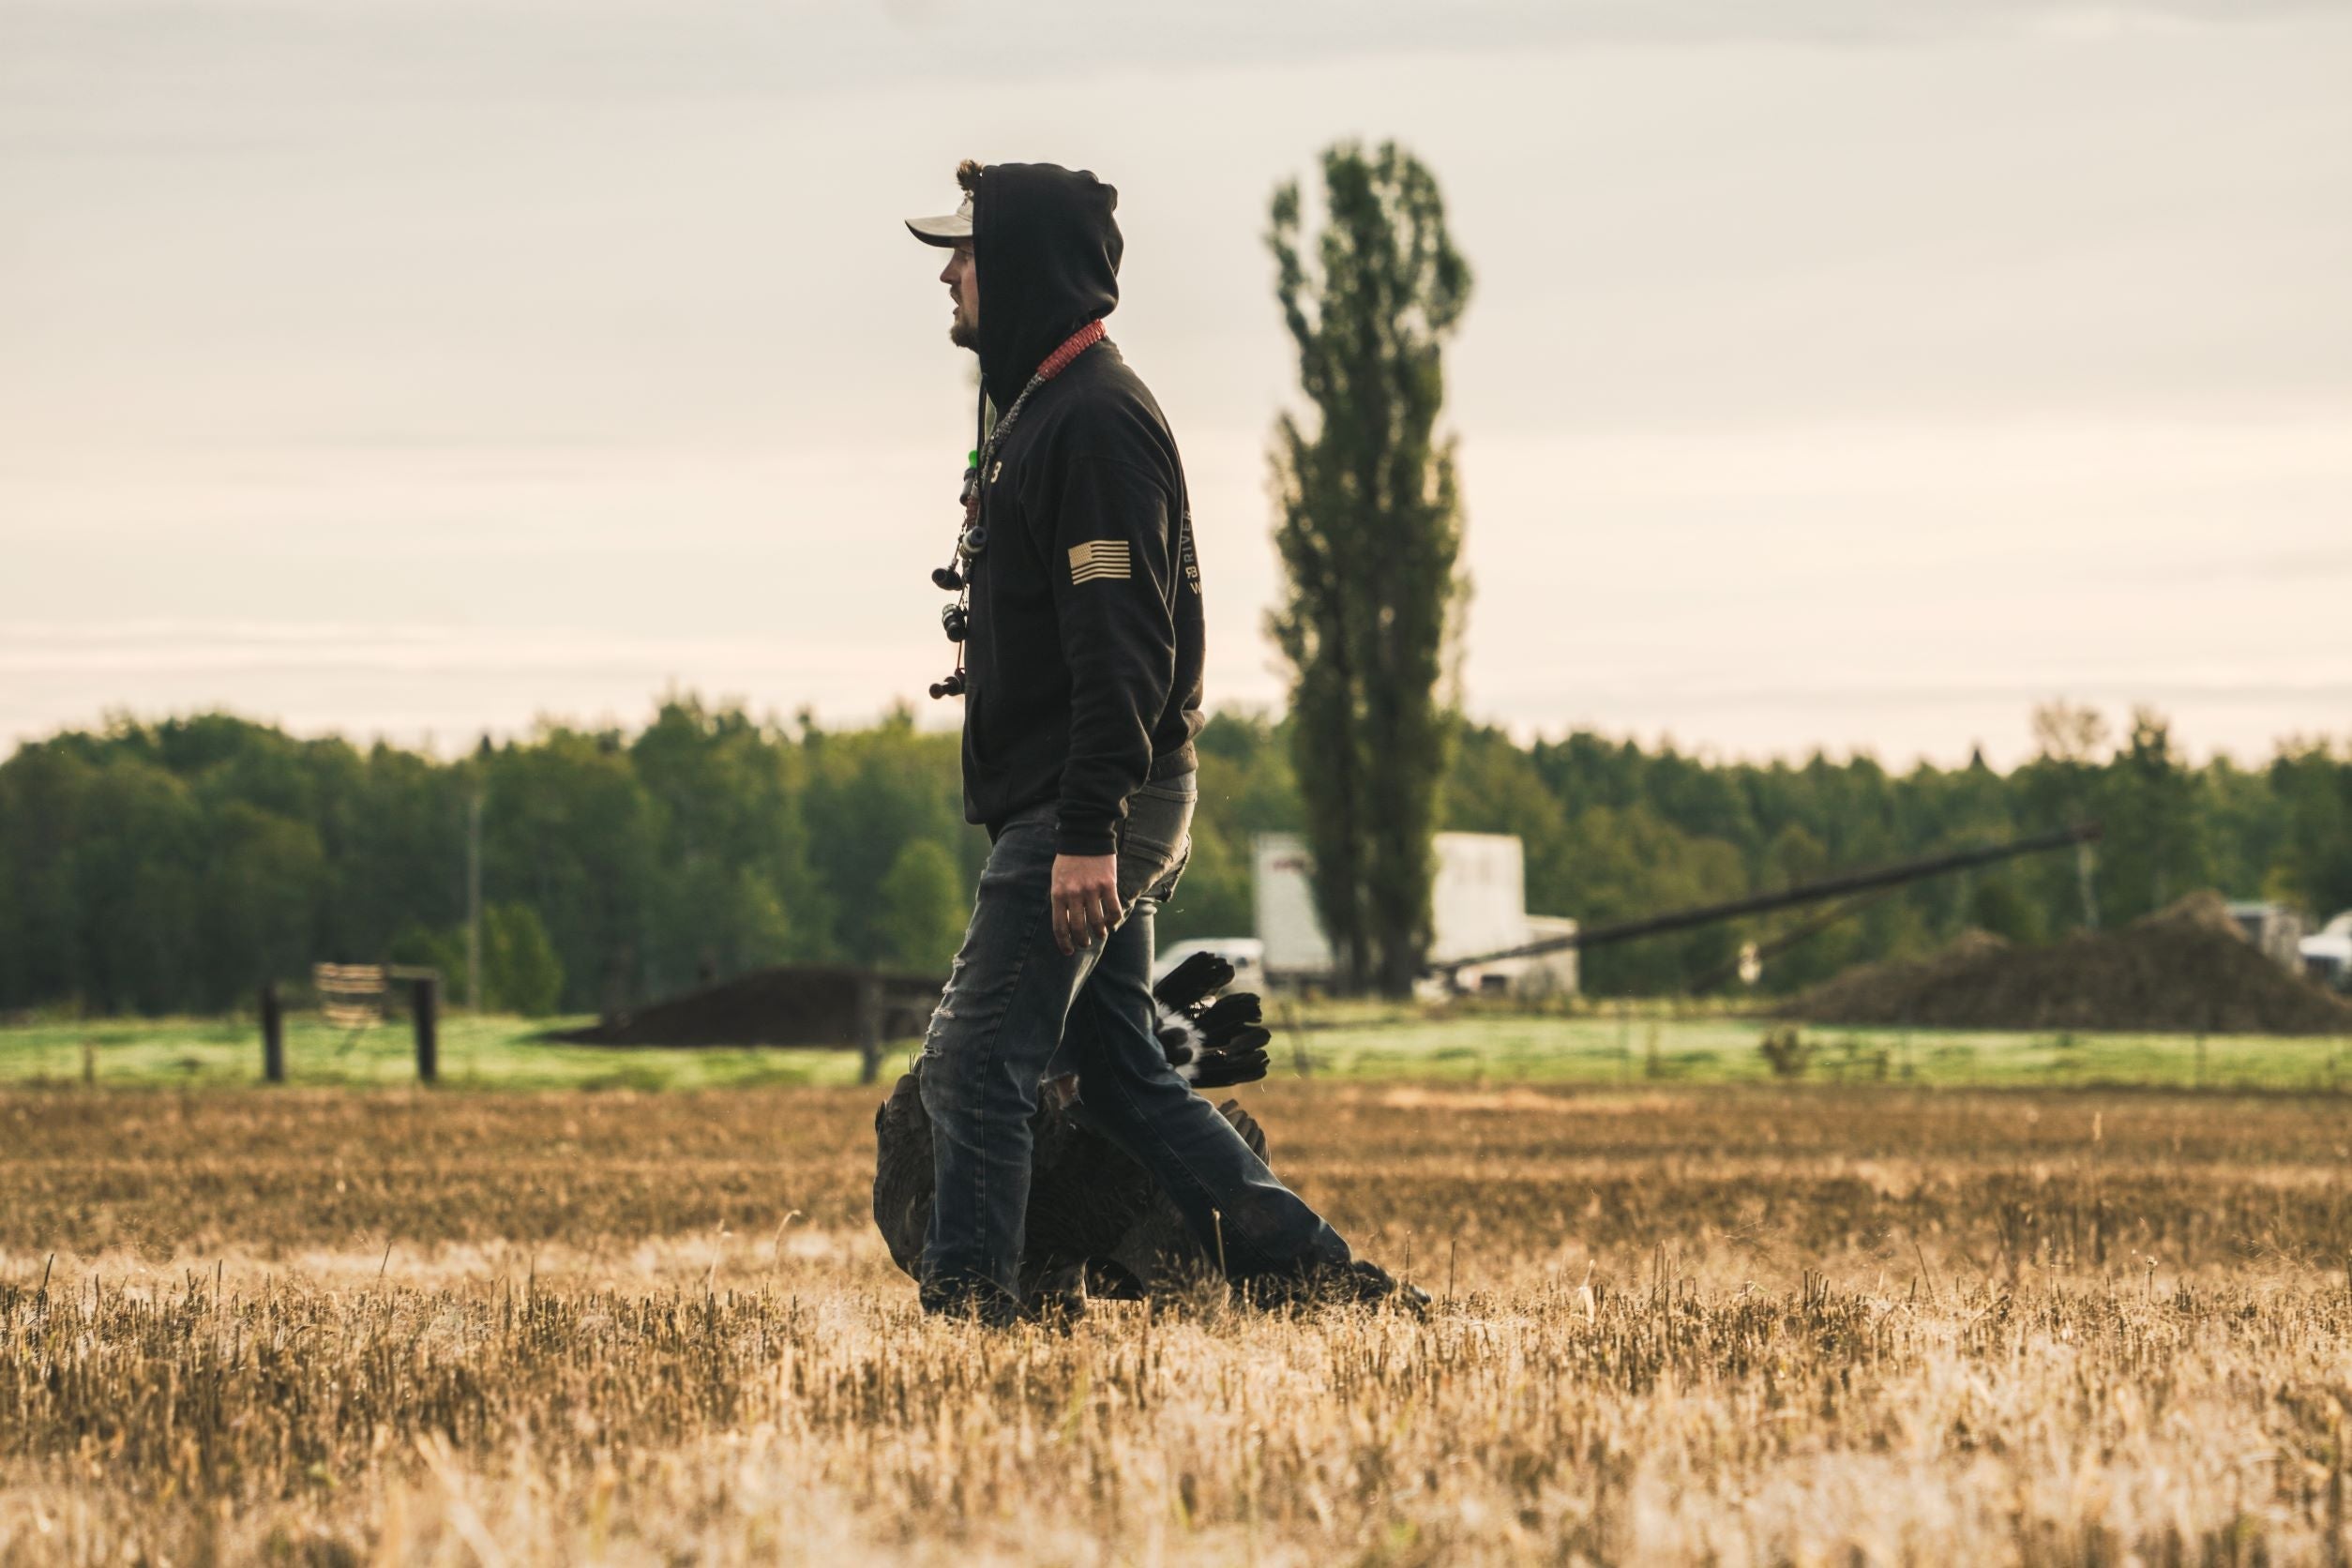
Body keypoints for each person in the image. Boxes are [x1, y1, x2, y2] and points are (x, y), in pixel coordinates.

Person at [902, 159, 1421, 1325]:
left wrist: (1087, 829)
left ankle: (976, 1319)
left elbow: (1122, 651)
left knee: (973, 1063)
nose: (946, 273)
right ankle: (1323, 1285)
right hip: (1092, 800)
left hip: (1086, 807)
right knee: (1128, 1075)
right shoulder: (1049, 408)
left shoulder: (1091, 424)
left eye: (965, 254)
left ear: (1022, 268)